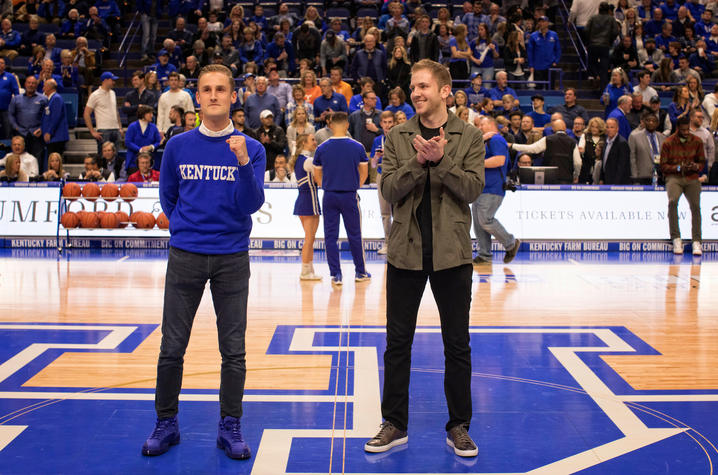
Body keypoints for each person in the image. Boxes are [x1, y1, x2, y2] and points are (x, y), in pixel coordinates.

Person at [143, 64, 265, 460]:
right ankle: (166, 423)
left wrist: (244, 162)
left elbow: (251, 204)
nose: (213, 95)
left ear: (234, 97)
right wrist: (183, 226)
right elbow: (168, 196)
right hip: (186, 254)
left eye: (221, 90)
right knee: (171, 346)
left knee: (233, 349)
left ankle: (230, 425)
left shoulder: (253, 147)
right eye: (206, 89)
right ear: (198, 97)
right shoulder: (178, 146)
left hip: (232, 257)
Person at [365, 57, 484, 457]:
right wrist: (419, 162)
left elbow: (471, 189)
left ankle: (459, 426)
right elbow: (388, 189)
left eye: (423, 86)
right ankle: (394, 423)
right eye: (413, 88)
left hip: (452, 256)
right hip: (405, 255)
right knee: (397, 343)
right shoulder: (398, 136)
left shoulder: (468, 136)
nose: (415, 93)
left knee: (457, 344)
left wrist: (442, 160)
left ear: (444, 91)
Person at [312, 111, 369, 285]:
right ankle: (360, 272)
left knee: (330, 236)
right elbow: (364, 174)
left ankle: (336, 275)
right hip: (349, 195)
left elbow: (316, 174)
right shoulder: (357, 146)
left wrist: (327, 185)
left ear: (330, 125)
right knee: (355, 234)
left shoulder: (321, 148)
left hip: (329, 195)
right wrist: (352, 185)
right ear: (347, 125)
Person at [470, 115, 520, 266]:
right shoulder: (486, 141)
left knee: (485, 219)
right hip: (481, 188)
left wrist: (477, 163)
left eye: (482, 125)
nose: (479, 128)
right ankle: (484, 255)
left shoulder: (496, 139)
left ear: (491, 125)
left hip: (493, 187)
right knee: (479, 223)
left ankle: (510, 243)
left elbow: (499, 160)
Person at [660, 115, 705, 255]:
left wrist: (695, 166)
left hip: (692, 177)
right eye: (683, 130)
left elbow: (702, 162)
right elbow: (663, 166)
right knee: (673, 202)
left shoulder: (697, 141)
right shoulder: (668, 143)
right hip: (674, 177)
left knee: (696, 207)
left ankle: (697, 241)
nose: (686, 132)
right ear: (678, 128)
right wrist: (679, 168)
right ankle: (676, 238)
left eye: (687, 130)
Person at [511, 119, 582, 184]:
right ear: (565, 128)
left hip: (550, 178)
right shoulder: (573, 142)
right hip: (567, 178)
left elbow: (531, 149)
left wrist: (512, 145)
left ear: (553, 128)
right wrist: (576, 175)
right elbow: (578, 163)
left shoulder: (548, 139)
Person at [369, 110, 396, 255]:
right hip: (382, 174)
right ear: (381, 124)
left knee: (398, 212)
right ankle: (387, 243)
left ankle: (399, 244)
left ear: (394, 123)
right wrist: (377, 157)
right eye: (385, 123)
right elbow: (373, 165)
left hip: (397, 176)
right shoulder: (377, 140)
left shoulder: (399, 138)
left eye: (390, 122)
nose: (387, 125)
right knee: (385, 212)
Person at [8, 75, 47, 165]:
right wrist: (16, 127)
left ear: (36, 85)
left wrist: (42, 128)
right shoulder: (16, 99)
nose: (31, 85)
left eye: (33, 83)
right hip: (21, 133)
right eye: (29, 83)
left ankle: (36, 178)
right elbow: (10, 115)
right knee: (20, 160)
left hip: (37, 134)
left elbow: (47, 117)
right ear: (25, 84)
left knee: (37, 160)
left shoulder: (43, 99)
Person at [84, 72, 123, 154]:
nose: (114, 82)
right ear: (105, 80)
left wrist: (120, 127)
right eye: (112, 80)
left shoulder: (113, 93)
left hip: (115, 129)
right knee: (103, 156)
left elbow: (116, 111)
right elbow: (86, 113)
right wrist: (92, 131)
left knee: (117, 155)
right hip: (103, 130)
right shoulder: (95, 95)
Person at [585, 2, 620, 88]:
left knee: (592, 64)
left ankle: (595, 76)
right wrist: (610, 41)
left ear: (599, 9)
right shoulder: (611, 19)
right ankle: (602, 89)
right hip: (605, 46)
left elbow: (586, 30)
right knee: (604, 68)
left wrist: (589, 41)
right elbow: (615, 32)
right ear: (608, 10)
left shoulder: (593, 18)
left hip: (593, 45)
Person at [629, 112, 665, 185]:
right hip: (642, 176)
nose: (651, 123)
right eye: (648, 120)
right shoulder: (635, 137)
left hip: (660, 176)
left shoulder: (662, 137)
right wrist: (635, 178)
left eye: (653, 121)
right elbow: (632, 159)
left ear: (657, 123)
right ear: (644, 122)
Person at [125, 105, 161, 174]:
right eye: (150, 113)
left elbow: (158, 141)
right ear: (143, 114)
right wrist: (140, 149)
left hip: (150, 162)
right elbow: (128, 142)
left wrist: (151, 147)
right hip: (134, 161)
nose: (152, 115)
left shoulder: (153, 127)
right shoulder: (132, 126)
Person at [41, 78, 68, 158]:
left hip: (56, 137)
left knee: (55, 161)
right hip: (53, 137)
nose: (43, 89)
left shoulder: (56, 98)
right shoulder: (51, 99)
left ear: (49, 88)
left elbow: (55, 117)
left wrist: (49, 132)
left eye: (44, 86)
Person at [600, 117, 632, 184]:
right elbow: (604, 162)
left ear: (617, 129)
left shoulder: (622, 143)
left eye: (612, 127)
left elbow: (622, 166)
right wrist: (601, 178)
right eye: (607, 127)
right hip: (606, 180)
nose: (609, 129)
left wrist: (616, 184)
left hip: (618, 182)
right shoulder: (605, 141)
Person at [0, 57, 18, 139]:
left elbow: (16, 92)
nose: (0, 64)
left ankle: (9, 149)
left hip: (7, 109)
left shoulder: (10, 76)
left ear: (5, 65)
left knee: (8, 131)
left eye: (2, 63)